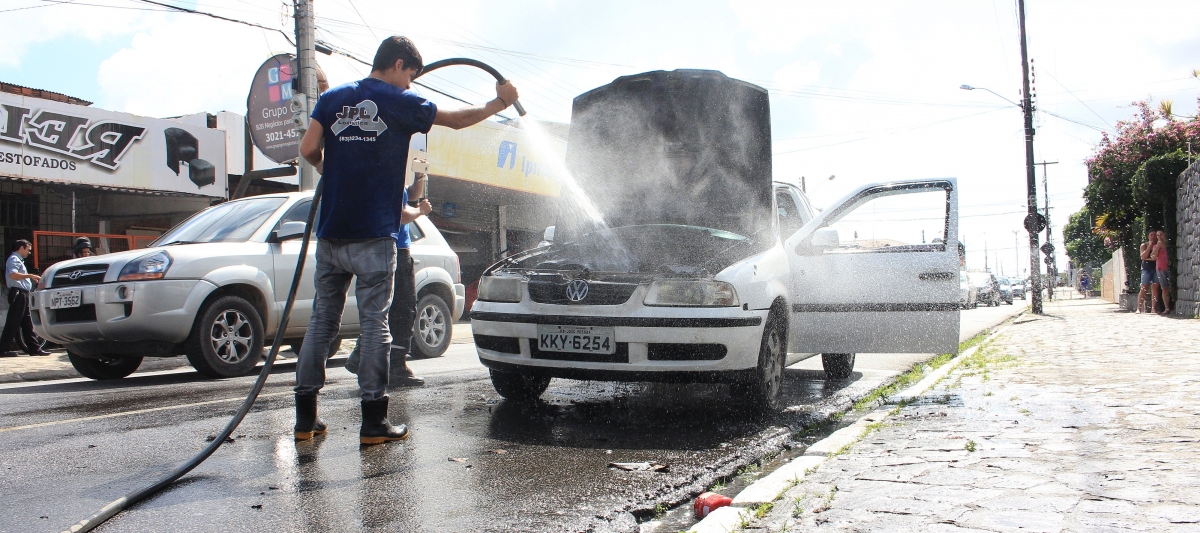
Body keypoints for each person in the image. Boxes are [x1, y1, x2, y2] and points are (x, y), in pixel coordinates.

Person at [293, 35, 519, 446]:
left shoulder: (333, 98)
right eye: (411, 76)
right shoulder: (400, 101)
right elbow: (455, 121)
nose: (411, 84)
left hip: (331, 233)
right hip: (375, 235)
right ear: (398, 64)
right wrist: (499, 104)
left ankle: (305, 420)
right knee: (374, 324)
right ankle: (373, 422)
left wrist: (333, 169)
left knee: (322, 322)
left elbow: (308, 148)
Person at [344, 170, 427, 387]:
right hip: (394, 250)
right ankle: (396, 365)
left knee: (382, 308)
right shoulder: (390, 175)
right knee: (403, 309)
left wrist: (419, 178)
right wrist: (420, 211)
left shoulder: (378, 172)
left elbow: (410, 194)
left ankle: (361, 356)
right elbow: (400, 215)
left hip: (377, 247)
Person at [1, 240, 50, 357]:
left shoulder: (18, 260)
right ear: (21, 248)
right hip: (18, 293)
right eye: (28, 250)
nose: (29, 252)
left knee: (27, 323)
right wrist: (30, 275)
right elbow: (13, 275)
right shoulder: (14, 259)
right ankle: (3, 349)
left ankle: (34, 348)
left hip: (23, 294)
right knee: (13, 322)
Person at [1137, 231, 1156, 313]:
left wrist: (1148, 258)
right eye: (1151, 235)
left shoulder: (1158, 245)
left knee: (1155, 288)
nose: (1153, 236)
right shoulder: (1144, 245)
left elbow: (1156, 257)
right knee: (1144, 288)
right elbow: (1143, 256)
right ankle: (1139, 308)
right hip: (1146, 269)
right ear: (1148, 236)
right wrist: (1149, 246)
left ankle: (1153, 308)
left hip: (1156, 268)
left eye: (1154, 235)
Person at [1152, 229, 1171, 314]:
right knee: (1164, 288)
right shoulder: (1156, 246)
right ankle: (1167, 308)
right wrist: (1158, 246)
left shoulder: (1168, 245)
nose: (1159, 236)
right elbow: (1153, 256)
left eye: (1161, 234)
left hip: (1169, 267)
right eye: (1158, 235)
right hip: (1160, 268)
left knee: (1170, 287)